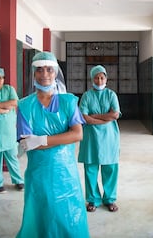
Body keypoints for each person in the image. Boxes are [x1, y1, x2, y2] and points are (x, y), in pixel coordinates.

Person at [16, 51, 90, 238]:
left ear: (56, 73)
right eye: (40, 70)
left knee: (68, 215)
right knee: (41, 214)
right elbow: (26, 143)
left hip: (65, 173)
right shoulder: (24, 105)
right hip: (38, 172)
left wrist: (41, 140)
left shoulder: (68, 101)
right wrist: (59, 138)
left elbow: (77, 134)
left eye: (49, 69)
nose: (45, 74)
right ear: (33, 73)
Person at [78, 65, 121, 213]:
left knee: (110, 168)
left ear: (106, 79)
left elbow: (115, 114)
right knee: (91, 169)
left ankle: (110, 199)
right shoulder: (86, 96)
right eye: (96, 77)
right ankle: (93, 199)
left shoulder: (111, 95)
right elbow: (84, 117)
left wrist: (94, 117)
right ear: (92, 79)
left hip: (109, 137)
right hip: (91, 138)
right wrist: (104, 118)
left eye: (102, 77)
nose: (99, 80)